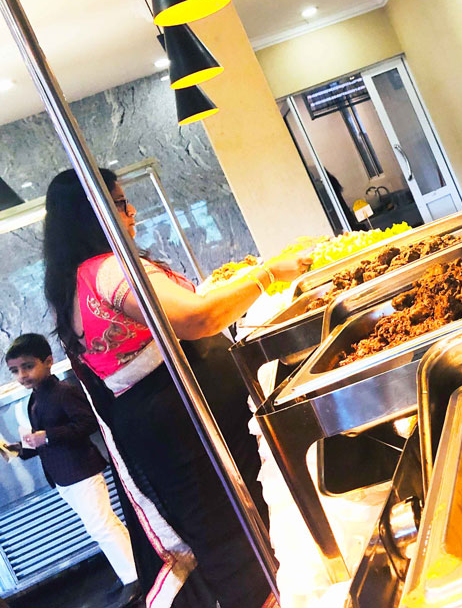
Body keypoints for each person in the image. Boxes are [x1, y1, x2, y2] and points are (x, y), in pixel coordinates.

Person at [42, 167, 309, 608]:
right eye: (121, 203)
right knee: (241, 527)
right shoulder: (107, 270)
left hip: (164, 425)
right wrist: (267, 275)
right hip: (185, 423)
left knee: (225, 532)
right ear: (95, 211)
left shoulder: (73, 282)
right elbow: (197, 318)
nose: (131, 213)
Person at [4, 334, 140, 605]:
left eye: (28, 366)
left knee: (102, 526)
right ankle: (132, 569)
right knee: (101, 526)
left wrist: (47, 437)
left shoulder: (63, 391)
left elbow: (88, 422)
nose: (22, 375)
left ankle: (135, 576)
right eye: (15, 371)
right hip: (64, 476)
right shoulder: (37, 397)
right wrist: (18, 449)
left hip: (81, 470)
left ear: (48, 361)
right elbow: (43, 440)